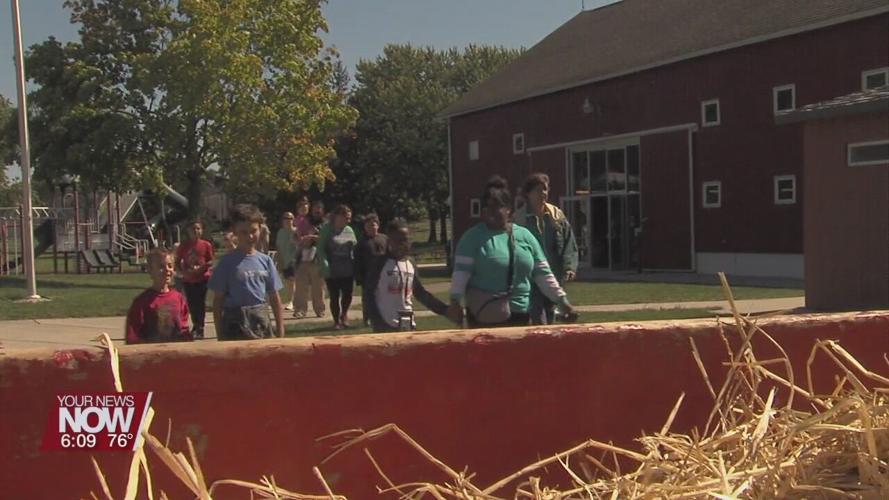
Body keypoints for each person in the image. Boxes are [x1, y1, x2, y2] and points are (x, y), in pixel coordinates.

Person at [448, 176, 576, 328]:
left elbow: (543, 274)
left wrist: (562, 301)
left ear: (508, 209)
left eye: (497, 207)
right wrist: (455, 302)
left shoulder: (525, 236)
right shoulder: (471, 239)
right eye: (486, 207)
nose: (491, 212)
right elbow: (460, 277)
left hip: (521, 318)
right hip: (484, 320)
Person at [209, 204, 285, 340]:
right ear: (234, 231)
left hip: (260, 322)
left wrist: (280, 330)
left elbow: (274, 297)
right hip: (235, 324)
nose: (250, 236)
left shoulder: (265, 261)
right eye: (244, 232)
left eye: (253, 231)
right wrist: (219, 333)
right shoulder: (226, 263)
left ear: (260, 229)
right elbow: (218, 300)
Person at [513, 173, 579, 324]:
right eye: (538, 189)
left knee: (549, 317)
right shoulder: (519, 220)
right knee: (537, 317)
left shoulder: (556, 216)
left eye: (545, 189)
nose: (543, 193)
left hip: (554, 277)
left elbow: (570, 244)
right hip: (531, 280)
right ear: (528, 194)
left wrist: (570, 267)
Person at [365, 218, 448, 332]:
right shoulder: (379, 263)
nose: (403, 244)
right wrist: (377, 321)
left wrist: (445, 310)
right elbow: (368, 295)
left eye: (406, 240)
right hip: (385, 326)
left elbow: (420, 293)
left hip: (408, 325)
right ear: (389, 241)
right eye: (398, 240)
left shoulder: (410, 263)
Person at [126, 248, 192, 344]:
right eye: (161, 266)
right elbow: (133, 336)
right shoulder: (142, 302)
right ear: (150, 270)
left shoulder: (179, 299)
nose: (167, 270)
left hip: (175, 354)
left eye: (170, 266)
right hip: (151, 354)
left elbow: (183, 329)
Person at [317, 204, 357, 329]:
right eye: (346, 217)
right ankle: (336, 321)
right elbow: (320, 248)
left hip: (347, 267)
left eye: (349, 218)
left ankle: (344, 315)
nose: (348, 220)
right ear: (338, 216)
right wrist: (324, 265)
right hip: (332, 267)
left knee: (347, 294)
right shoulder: (326, 229)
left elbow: (354, 246)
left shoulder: (349, 230)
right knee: (334, 295)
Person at [175, 219, 215, 338]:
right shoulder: (183, 246)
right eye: (193, 229)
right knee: (192, 303)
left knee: (200, 303)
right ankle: (196, 325)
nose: (196, 231)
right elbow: (177, 261)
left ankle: (201, 327)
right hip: (188, 279)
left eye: (198, 228)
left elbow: (210, 260)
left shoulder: (206, 245)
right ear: (188, 231)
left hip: (202, 278)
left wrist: (203, 268)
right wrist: (183, 272)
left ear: (202, 231)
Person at [292, 199, 326, 319]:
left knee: (318, 286)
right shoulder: (304, 221)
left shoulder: (325, 224)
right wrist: (300, 240)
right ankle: (300, 310)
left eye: (319, 210)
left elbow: (325, 239)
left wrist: (313, 237)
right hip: (302, 256)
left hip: (317, 258)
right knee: (301, 285)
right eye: (315, 210)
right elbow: (295, 237)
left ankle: (320, 310)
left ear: (322, 211)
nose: (316, 212)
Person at [354, 212, 388, 326]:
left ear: (378, 225)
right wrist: (359, 277)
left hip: (384, 274)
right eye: (368, 225)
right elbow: (357, 262)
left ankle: (383, 316)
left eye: (374, 224)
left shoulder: (384, 239)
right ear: (364, 227)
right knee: (368, 298)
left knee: (383, 297)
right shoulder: (362, 243)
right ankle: (367, 318)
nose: (371, 227)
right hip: (368, 275)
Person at [275, 211, 298, 311]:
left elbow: (299, 246)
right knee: (287, 282)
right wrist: (279, 260)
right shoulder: (280, 232)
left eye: (290, 218)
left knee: (291, 282)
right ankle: (292, 301)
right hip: (283, 260)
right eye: (286, 218)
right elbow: (279, 247)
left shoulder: (296, 231)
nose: (288, 220)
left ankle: (292, 301)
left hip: (293, 260)